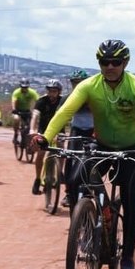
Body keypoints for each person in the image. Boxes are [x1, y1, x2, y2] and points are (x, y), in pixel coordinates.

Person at [33, 39, 135, 269]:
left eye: (116, 62)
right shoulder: (90, 85)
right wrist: (46, 137)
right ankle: (87, 225)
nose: (110, 66)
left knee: (131, 199)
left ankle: (127, 255)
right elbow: (65, 111)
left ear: (125, 62)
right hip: (101, 145)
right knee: (73, 178)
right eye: (104, 62)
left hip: (133, 149)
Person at [60, 70, 94, 208]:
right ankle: (69, 193)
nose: (77, 85)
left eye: (79, 82)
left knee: (92, 160)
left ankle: (90, 188)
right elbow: (59, 117)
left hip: (93, 131)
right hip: (76, 130)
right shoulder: (68, 98)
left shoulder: (94, 98)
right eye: (74, 82)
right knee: (70, 158)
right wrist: (59, 133)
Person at [30, 79, 65, 195]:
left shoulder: (62, 101)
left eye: (54, 91)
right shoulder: (41, 101)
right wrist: (32, 129)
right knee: (40, 154)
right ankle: (37, 178)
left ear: (59, 92)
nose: (52, 93)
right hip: (43, 131)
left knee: (61, 149)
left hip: (59, 131)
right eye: (50, 91)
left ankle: (60, 172)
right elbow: (35, 116)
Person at [11, 78, 40, 144]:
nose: (24, 89)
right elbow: (14, 101)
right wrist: (14, 109)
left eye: (26, 87)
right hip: (17, 111)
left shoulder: (32, 92)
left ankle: (27, 138)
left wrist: (38, 108)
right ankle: (16, 134)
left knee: (31, 123)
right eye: (23, 87)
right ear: (20, 86)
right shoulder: (16, 92)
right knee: (16, 119)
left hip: (27, 111)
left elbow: (38, 100)